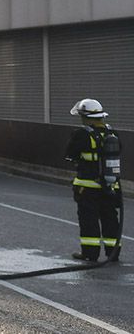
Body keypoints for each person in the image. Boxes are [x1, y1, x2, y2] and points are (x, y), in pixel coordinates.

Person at [64, 99, 122, 262]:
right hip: (111, 186)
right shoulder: (112, 133)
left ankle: (90, 253)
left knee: (89, 220)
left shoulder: (81, 134)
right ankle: (113, 253)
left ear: (85, 117)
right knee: (110, 219)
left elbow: (70, 154)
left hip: (88, 188)